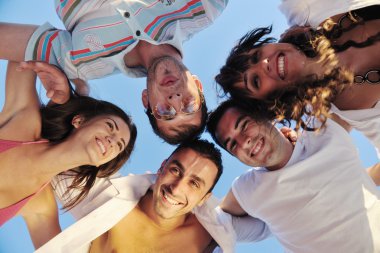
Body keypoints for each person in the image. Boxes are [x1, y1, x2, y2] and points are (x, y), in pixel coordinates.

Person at [0, 0, 229, 144]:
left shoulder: (84, 64)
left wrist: (72, 92)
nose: (175, 99)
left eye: (165, 111)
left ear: (146, 100)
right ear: (198, 86)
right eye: (189, 106)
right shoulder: (204, 9)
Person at [206, 99, 380, 252]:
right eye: (233, 144)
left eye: (244, 125)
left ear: (265, 116)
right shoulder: (248, 188)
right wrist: (269, 227)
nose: (244, 142)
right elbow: (215, 219)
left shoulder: (323, 132)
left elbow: (362, 93)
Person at [0, 61, 137, 247]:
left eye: (119, 145)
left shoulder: (42, 207)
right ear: (79, 120)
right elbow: (23, 50)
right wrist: (71, 80)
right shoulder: (26, 119)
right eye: (109, 127)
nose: (112, 140)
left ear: (102, 163)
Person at [215, 5, 380, 152]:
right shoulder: (360, 115)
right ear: (272, 100)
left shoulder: (305, 8)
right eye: (256, 81)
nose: (265, 64)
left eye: (257, 56)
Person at [34, 139, 245, 253]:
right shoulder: (106, 198)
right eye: (175, 170)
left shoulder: (211, 236)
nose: (176, 188)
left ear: (204, 198)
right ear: (161, 167)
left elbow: (269, 216)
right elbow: (48, 153)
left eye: (194, 183)